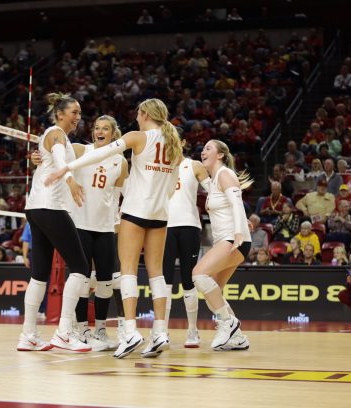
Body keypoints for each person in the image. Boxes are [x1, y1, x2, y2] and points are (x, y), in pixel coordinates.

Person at [45, 98, 182, 359]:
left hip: (135, 212)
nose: (137, 117)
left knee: (127, 271)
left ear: (144, 114)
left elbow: (103, 153)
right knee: (157, 274)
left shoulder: (137, 137)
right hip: (161, 213)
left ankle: (130, 331)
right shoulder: (175, 144)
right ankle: (160, 331)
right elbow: (174, 183)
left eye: (138, 113)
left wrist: (67, 167)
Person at [18, 93, 91, 353]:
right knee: (81, 267)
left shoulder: (54, 136)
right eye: (75, 112)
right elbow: (60, 158)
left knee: (39, 274)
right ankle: (63, 332)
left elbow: (54, 157)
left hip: (35, 208)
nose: (78, 118)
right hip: (51, 207)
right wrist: (70, 181)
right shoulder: (56, 133)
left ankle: (28, 335)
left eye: (80, 113)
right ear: (60, 113)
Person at [58, 115, 129, 351]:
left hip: (105, 227)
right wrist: (38, 157)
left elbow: (119, 197)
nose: (100, 131)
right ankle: (82, 330)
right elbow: (55, 155)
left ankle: (99, 330)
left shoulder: (120, 162)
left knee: (106, 281)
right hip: (79, 225)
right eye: (97, 128)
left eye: (105, 128)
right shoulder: (80, 150)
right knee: (82, 279)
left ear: (113, 134)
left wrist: (118, 224)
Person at [191, 139, 253, 351]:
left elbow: (237, 203)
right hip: (227, 240)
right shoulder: (215, 179)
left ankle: (228, 323)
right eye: (202, 148)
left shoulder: (225, 174)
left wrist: (238, 232)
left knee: (199, 275)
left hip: (233, 240)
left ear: (220, 155)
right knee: (213, 292)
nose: (203, 151)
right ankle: (238, 338)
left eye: (208, 148)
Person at [159, 127, 211, 348]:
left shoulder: (194, 166)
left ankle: (193, 331)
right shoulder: (158, 167)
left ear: (183, 141)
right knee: (164, 281)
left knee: (189, 280)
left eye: (173, 139)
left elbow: (214, 192)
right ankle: (161, 332)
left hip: (189, 226)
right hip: (164, 227)